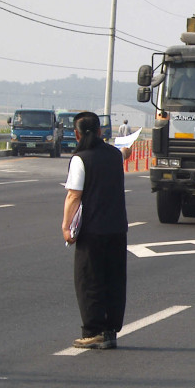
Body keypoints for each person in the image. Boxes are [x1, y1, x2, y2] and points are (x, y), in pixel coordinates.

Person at [62, 112, 132, 349]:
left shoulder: (80, 159)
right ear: (101, 131)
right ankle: (110, 331)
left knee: (89, 280)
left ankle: (93, 331)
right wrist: (126, 150)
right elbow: (123, 154)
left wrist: (66, 226)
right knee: (114, 280)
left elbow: (74, 195)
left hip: (92, 230)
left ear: (77, 134)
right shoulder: (113, 155)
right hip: (117, 228)